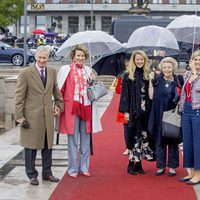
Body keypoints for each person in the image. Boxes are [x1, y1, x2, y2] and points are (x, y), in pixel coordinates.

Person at [15, 46, 63, 186]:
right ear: (35, 57)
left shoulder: (52, 71)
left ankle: (47, 173)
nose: (42, 60)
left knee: (47, 146)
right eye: (40, 57)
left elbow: (56, 92)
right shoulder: (25, 73)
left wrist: (59, 106)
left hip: (47, 115)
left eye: (44, 58)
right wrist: (19, 116)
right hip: (31, 116)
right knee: (31, 147)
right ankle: (32, 175)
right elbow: (19, 96)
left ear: (48, 58)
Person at [57, 45, 102, 178]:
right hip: (71, 108)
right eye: (78, 55)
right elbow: (60, 89)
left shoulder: (88, 70)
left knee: (86, 139)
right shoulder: (65, 70)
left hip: (87, 107)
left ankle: (84, 167)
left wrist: (93, 81)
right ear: (73, 56)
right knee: (72, 139)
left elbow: (92, 90)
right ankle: (72, 168)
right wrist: (58, 106)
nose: (81, 58)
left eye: (83, 56)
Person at [119, 50, 153, 175]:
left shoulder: (148, 74)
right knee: (134, 136)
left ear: (145, 61)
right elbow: (125, 95)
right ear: (133, 61)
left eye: (142, 59)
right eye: (137, 59)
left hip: (146, 111)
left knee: (143, 137)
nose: (139, 61)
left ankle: (139, 163)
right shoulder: (128, 75)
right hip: (134, 111)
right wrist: (126, 111)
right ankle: (130, 164)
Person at [148, 57, 183, 177]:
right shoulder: (157, 80)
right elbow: (151, 96)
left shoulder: (178, 80)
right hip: (158, 113)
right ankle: (161, 166)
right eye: (165, 67)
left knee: (173, 138)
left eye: (169, 67)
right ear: (161, 69)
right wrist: (150, 82)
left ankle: (172, 166)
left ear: (173, 68)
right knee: (159, 140)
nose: (167, 69)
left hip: (173, 113)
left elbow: (182, 95)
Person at [179, 50, 200, 185]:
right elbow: (184, 91)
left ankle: (198, 173)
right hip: (186, 109)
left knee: (197, 143)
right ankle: (191, 171)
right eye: (195, 59)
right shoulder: (188, 74)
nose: (197, 62)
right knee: (187, 143)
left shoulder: (194, 74)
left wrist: (194, 73)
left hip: (197, 111)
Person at [116, 57, 130, 155]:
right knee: (126, 128)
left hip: (136, 105)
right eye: (127, 65)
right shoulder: (122, 77)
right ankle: (128, 147)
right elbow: (118, 91)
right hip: (125, 104)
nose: (129, 67)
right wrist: (120, 81)